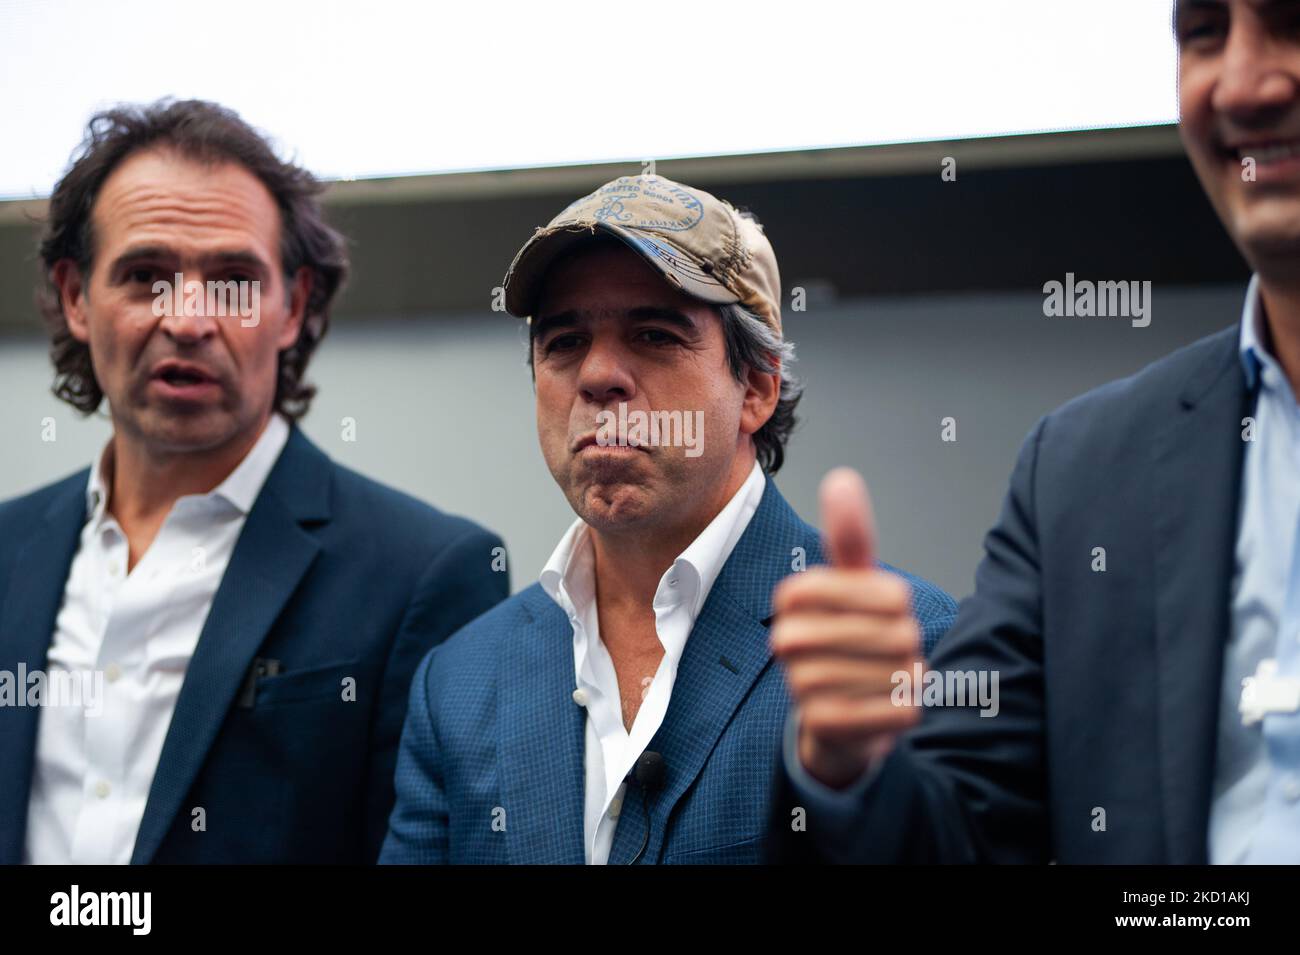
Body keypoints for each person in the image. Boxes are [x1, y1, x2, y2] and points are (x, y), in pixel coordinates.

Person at [769, 0, 1300, 863]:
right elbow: (960, 835)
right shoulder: (1087, 475)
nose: (1242, 83)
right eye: (1204, 32)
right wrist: (850, 765)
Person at [380, 174, 956, 864]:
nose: (597, 375)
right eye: (563, 342)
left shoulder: (910, 645)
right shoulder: (459, 679)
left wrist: (852, 779)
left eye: (654, 334)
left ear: (758, 388)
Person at [0, 99, 508, 864]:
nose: (190, 319)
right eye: (146, 276)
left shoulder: (427, 574)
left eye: (234, 280)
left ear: (292, 306)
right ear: (75, 297)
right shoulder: (8, 548)